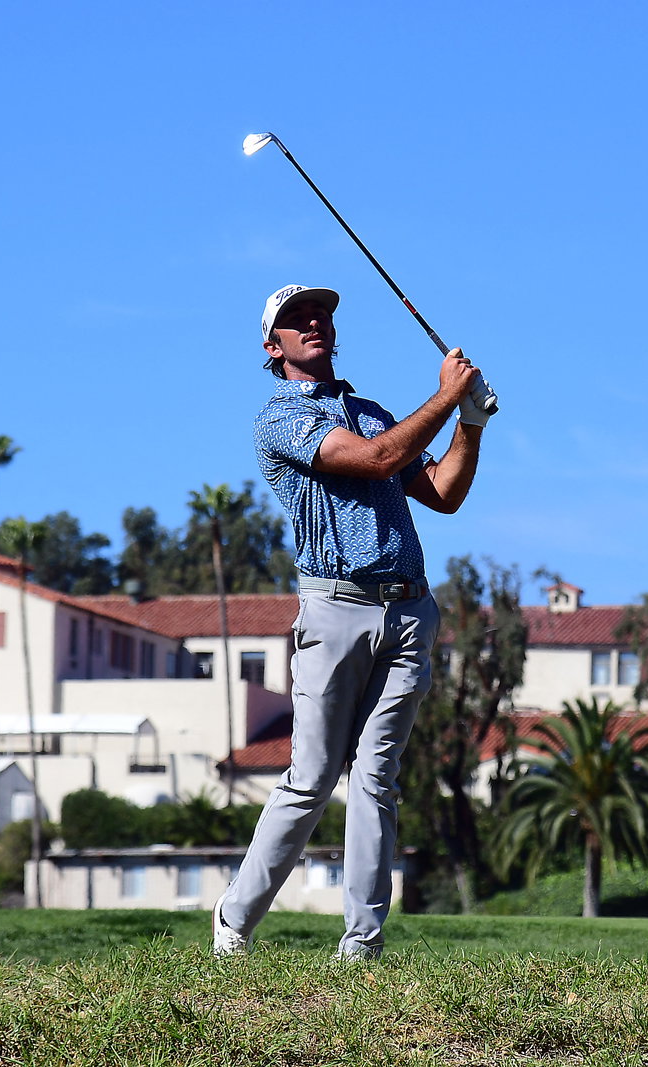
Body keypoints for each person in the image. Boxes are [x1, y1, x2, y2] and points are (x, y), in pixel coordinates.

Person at [213, 283, 496, 959]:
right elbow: (377, 460)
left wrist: (471, 425)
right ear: (271, 345)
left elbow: (444, 494)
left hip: (407, 612)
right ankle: (234, 921)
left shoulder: (374, 412)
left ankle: (362, 943)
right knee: (310, 778)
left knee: (376, 777)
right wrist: (446, 398)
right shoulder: (278, 418)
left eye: (321, 315)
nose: (313, 323)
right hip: (334, 610)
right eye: (295, 319)